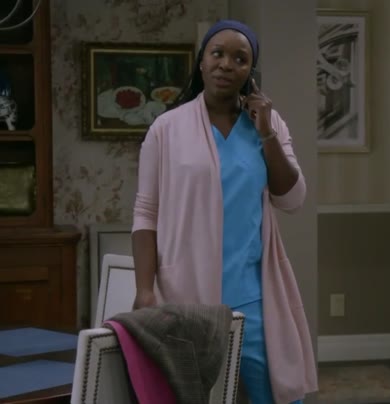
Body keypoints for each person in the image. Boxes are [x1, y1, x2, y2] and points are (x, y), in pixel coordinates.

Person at [131, 19, 317, 404]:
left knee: (277, 394)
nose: (226, 64)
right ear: (202, 61)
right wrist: (145, 290)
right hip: (185, 291)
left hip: (252, 293)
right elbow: (146, 213)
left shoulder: (268, 124)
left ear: (251, 71)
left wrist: (266, 132)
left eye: (240, 58)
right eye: (217, 54)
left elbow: (293, 198)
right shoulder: (166, 128)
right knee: (191, 394)